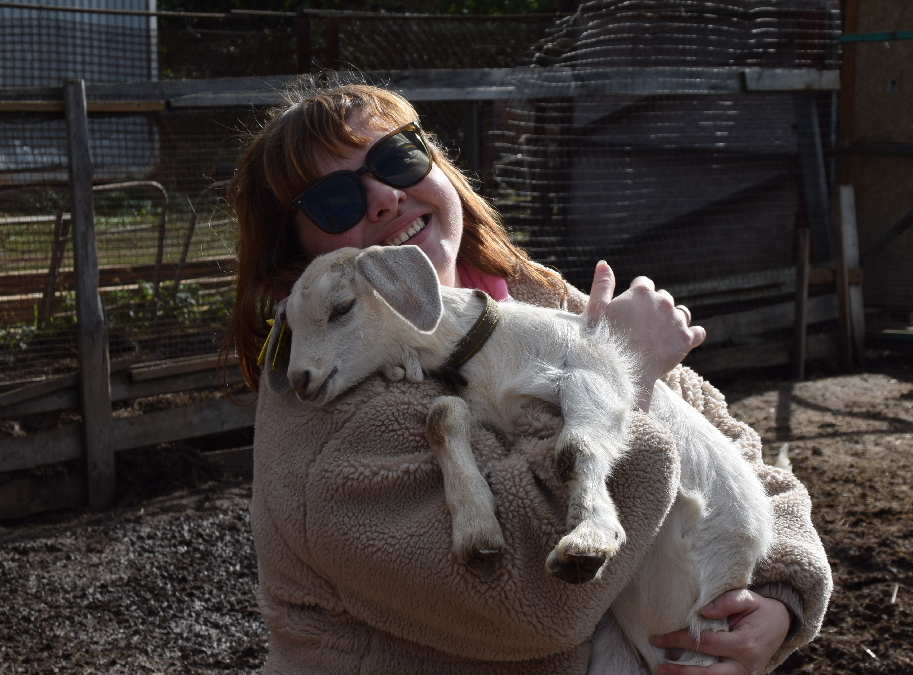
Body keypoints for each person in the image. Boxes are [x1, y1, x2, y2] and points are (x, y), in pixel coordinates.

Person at [225, 81, 831, 675]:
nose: (385, 197)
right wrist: (628, 375)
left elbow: (726, 441)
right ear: (297, 258)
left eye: (398, 157)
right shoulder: (327, 422)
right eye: (334, 201)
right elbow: (528, 600)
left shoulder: (526, 294)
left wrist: (780, 595)